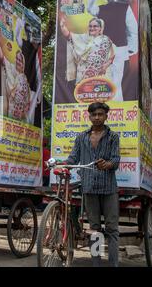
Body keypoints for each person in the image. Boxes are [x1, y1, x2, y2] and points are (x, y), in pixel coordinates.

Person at [63, 102, 120, 267]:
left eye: (100, 114)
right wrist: (64, 163)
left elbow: (116, 160)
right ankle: (97, 264)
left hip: (109, 188)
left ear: (106, 116)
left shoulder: (112, 136)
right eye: (94, 114)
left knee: (112, 230)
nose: (97, 117)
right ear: (89, 116)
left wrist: (107, 164)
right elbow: (74, 157)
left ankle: (113, 264)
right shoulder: (81, 137)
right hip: (88, 187)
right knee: (94, 229)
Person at [87, 0, 138, 101]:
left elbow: (133, 30)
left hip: (119, 48)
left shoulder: (125, 7)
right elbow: (89, 8)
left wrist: (132, 48)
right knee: (101, 77)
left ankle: (116, 105)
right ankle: (102, 104)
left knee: (116, 78)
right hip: (103, 49)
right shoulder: (101, 8)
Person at [60, 16, 115, 86]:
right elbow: (68, 35)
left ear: (100, 28)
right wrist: (62, 25)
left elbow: (113, 55)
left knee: (100, 95)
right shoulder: (83, 38)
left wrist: (106, 65)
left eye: (95, 26)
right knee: (85, 95)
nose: (92, 28)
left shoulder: (106, 40)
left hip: (101, 76)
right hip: (83, 75)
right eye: (90, 26)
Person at [0, 32, 31, 121]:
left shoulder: (24, 78)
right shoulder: (11, 68)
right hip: (11, 105)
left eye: (21, 60)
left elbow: (27, 97)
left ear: (23, 63)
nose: (19, 62)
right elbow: (2, 58)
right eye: (17, 59)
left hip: (20, 110)